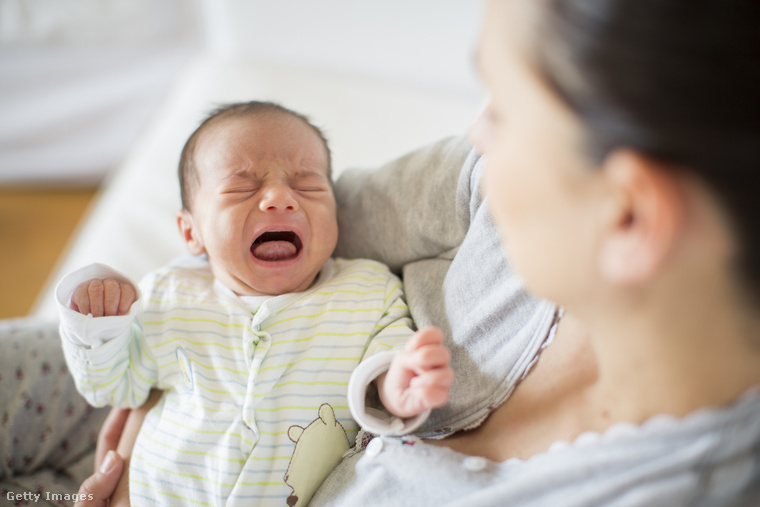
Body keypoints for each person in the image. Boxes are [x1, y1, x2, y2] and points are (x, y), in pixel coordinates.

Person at [11, 0, 760, 503]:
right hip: (186, 382)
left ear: (626, 216)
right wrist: (187, 323)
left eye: (504, 109)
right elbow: (314, 219)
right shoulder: (486, 199)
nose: (475, 136)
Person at [55, 101, 453, 506]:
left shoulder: (368, 289)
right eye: (241, 187)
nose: (280, 198)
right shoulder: (169, 295)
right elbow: (114, 387)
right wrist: (99, 323)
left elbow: (385, 357)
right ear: (191, 233)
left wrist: (398, 383)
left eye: (308, 185)